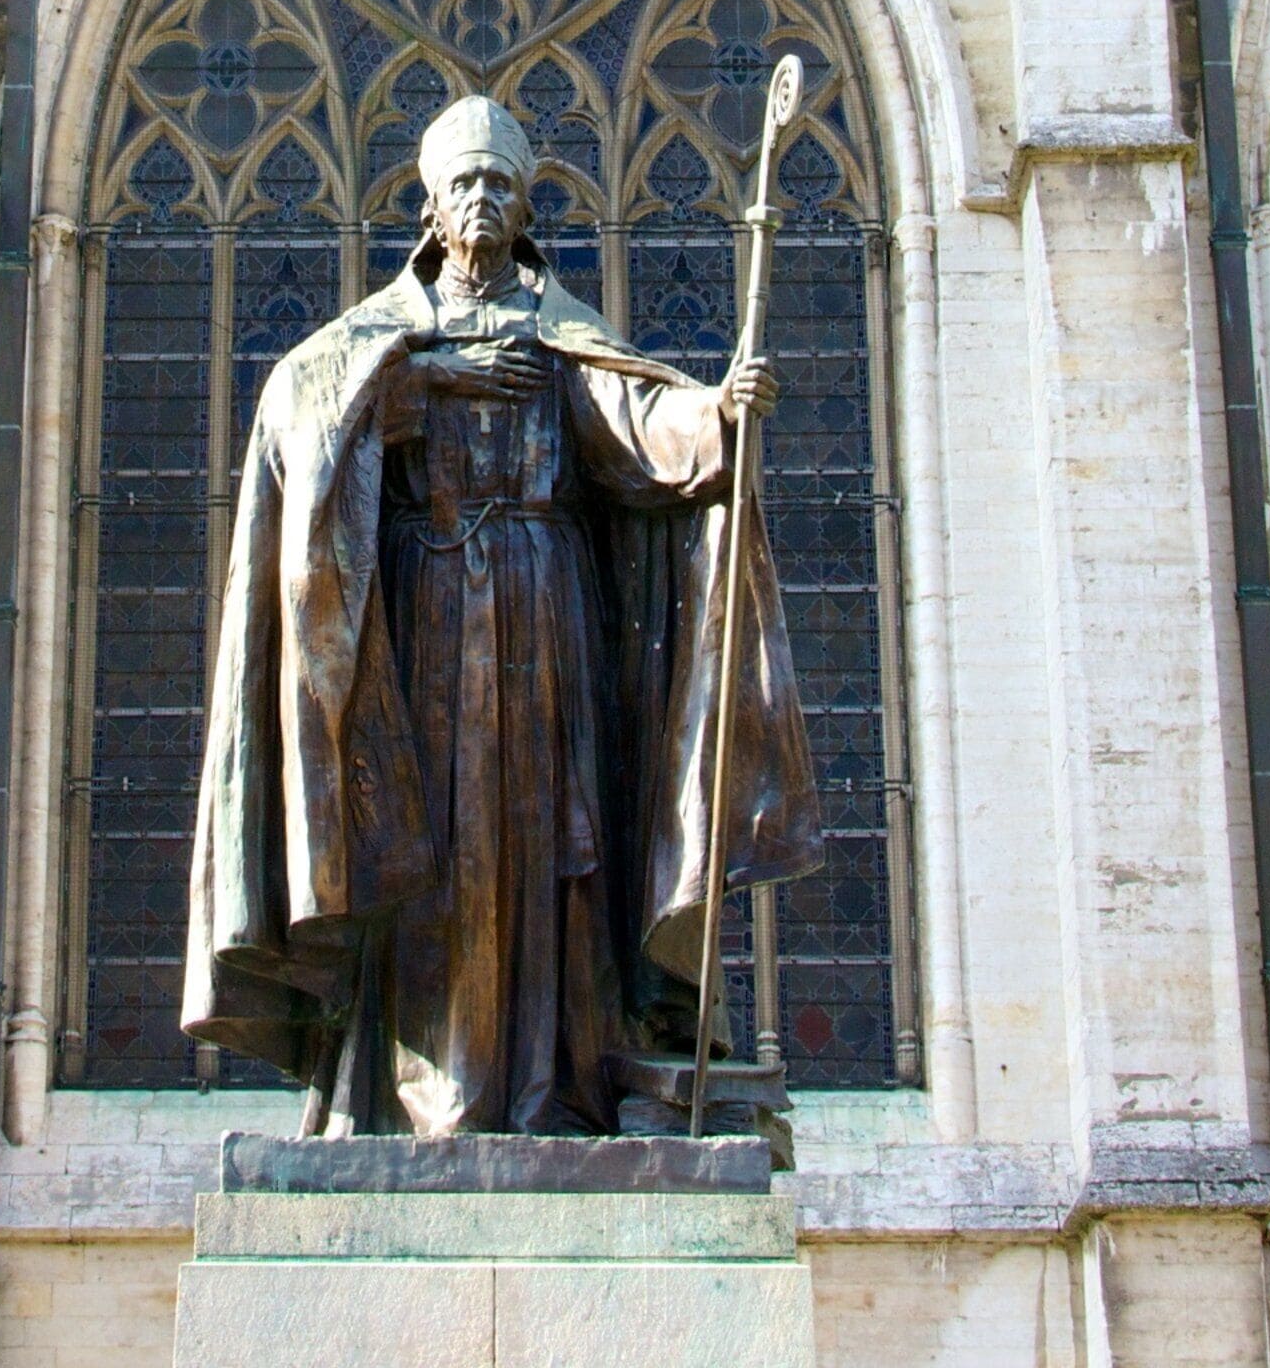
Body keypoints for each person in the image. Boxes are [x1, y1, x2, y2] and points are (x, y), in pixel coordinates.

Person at [179, 95, 818, 1136]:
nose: (482, 201)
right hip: (426, 616)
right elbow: (299, 414)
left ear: (524, 211)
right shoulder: (380, 339)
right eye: (464, 185)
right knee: (432, 848)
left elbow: (635, 425)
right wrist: (418, 379)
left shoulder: (558, 336)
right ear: (431, 210)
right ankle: (419, 1095)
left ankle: (557, 1085)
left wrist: (718, 415)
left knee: (550, 847)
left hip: (544, 610)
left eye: (500, 187)